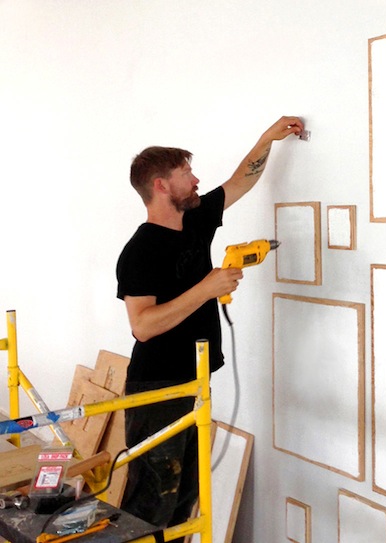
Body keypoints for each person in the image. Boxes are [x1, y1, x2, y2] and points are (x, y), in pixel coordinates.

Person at [115, 116, 304, 535]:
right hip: (156, 389)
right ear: (161, 185)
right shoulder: (140, 250)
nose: (197, 179)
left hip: (195, 380)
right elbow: (142, 326)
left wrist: (268, 137)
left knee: (184, 499)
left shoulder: (196, 221)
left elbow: (241, 182)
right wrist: (206, 289)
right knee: (151, 503)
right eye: (186, 173)